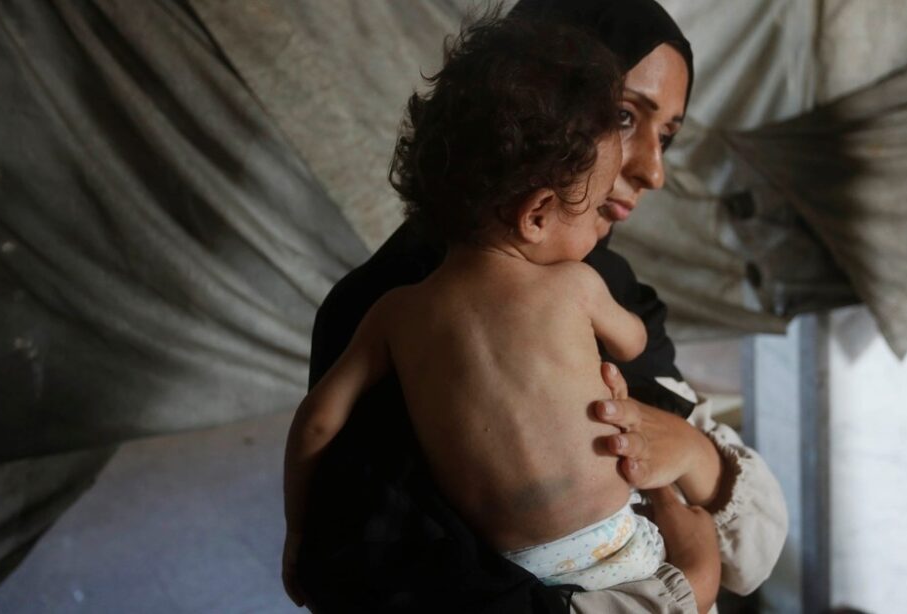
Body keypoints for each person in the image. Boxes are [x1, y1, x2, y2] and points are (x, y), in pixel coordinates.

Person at [293, 1, 788, 612]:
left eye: (667, 136)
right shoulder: (379, 311)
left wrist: (687, 447)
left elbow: (759, 547)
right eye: (624, 116)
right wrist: (689, 583)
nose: (654, 171)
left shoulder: (602, 278)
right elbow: (389, 584)